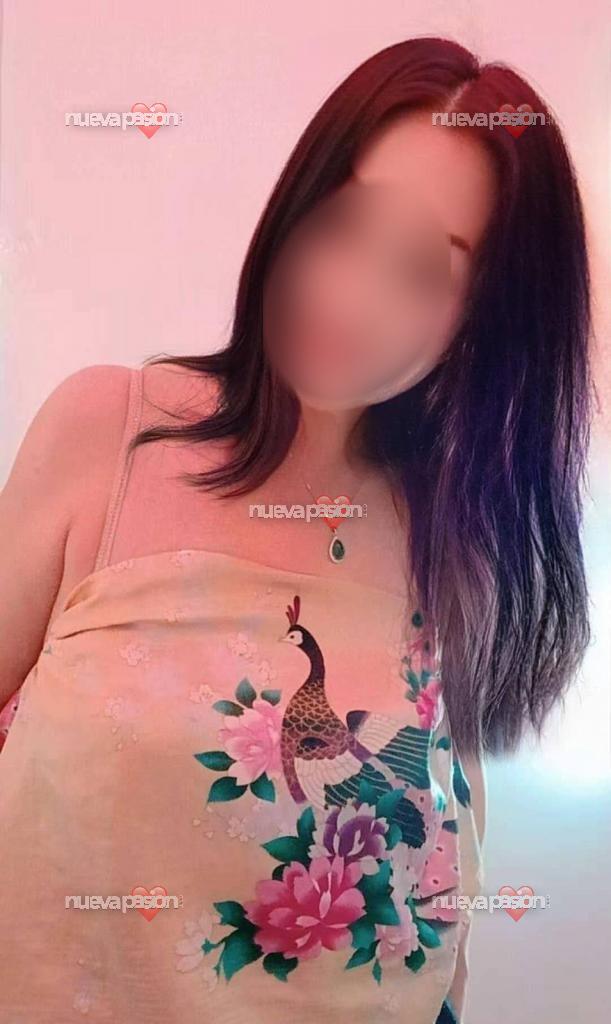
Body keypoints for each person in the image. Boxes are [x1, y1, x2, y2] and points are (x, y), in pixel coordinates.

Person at [0, 35, 592, 1024]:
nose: (353, 294)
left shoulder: (449, 551)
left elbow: (443, 896)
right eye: (342, 222)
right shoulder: (111, 433)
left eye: (422, 270)